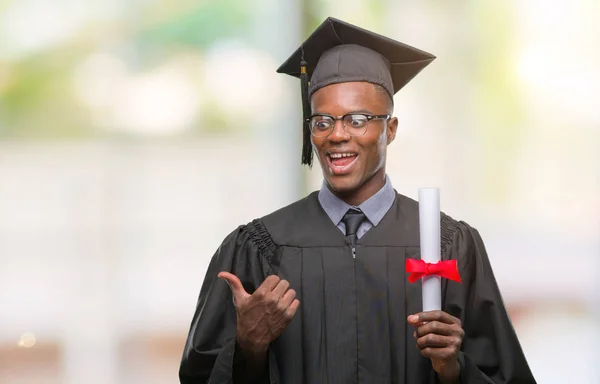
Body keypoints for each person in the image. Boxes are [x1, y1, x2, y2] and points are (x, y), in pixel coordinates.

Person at [179, 17, 537, 384]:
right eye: (322, 122)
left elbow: (504, 377)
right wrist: (247, 348)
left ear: (390, 129)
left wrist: (454, 370)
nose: (337, 135)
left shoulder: (451, 246)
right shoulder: (259, 249)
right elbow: (200, 376)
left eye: (357, 119)